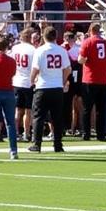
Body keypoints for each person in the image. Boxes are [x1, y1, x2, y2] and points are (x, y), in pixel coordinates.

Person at [30, 25, 71, 153]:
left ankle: (37, 144)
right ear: (56, 36)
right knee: (57, 117)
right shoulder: (61, 50)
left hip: (43, 86)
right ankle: (58, 144)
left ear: (44, 36)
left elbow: (35, 69)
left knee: (38, 117)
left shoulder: (40, 51)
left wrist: (32, 81)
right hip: (56, 87)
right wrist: (62, 81)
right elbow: (67, 69)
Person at [78, 21, 106, 142]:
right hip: (103, 80)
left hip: (90, 79)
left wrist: (88, 60)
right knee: (101, 108)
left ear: (90, 31)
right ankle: (101, 134)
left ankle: (86, 133)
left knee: (87, 108)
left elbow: (80, 60)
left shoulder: (87, 42)